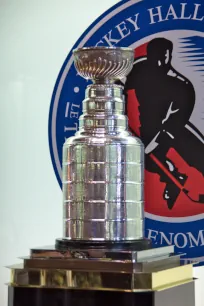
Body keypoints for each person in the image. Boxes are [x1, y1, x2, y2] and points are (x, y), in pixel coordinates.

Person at [124, 38, 204, 209]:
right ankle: (172, 177)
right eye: (154, 56)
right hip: (145, 127)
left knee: (199, 155)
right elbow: (120, 86)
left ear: (169, 55)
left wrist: (149, 147)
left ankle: (175, 177)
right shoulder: (139, 69)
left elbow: (170, 129)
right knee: (149, 160)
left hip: (174, 128)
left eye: (163, 56)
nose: (158, 62)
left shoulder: (182, 86)